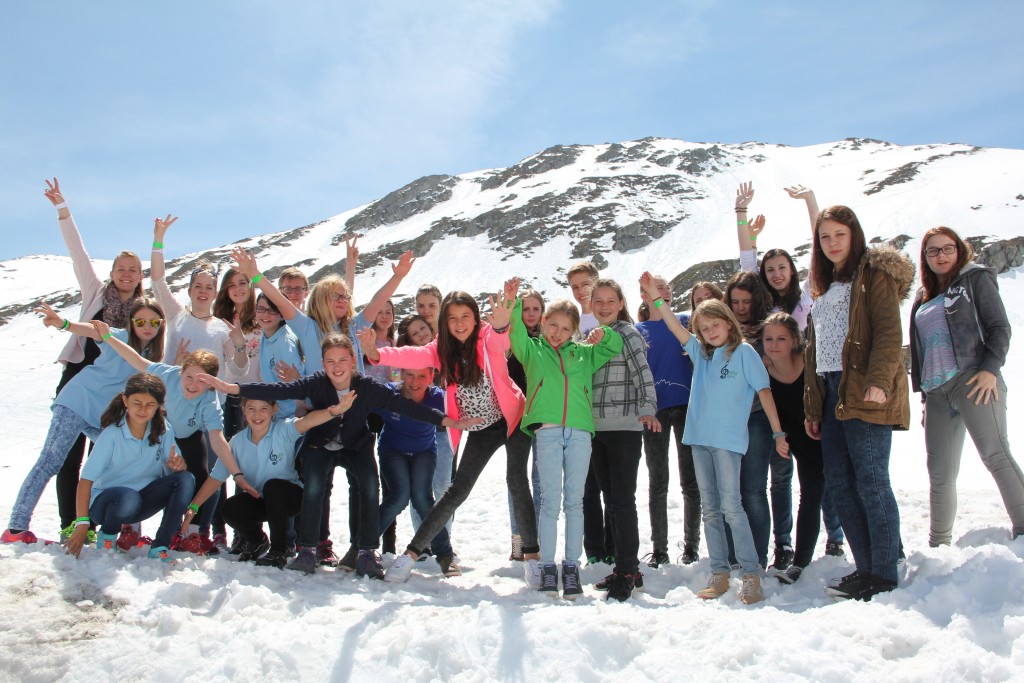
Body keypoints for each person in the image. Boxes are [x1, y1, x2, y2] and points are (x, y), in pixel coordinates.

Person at [200, 334, 479, 578]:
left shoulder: (367, 387)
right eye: (330, 361)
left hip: (355, 444)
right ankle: (308, 549)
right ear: (323, 364)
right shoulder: (316, 384)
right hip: (320, 443)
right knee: (314, 487)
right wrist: (233, 388)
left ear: (352, 362)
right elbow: (279, 390)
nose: (337, 367)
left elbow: (405, 406)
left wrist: (448, 422)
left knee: (370, 486)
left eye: (343, 360)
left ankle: (368, 552)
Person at [640, 273, 789, 606]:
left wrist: (778, 433)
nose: (709, 332)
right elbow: (675, 326)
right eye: (703, 328)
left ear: (728, 322)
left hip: (727, 442)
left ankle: (750, 574)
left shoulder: (745, 353)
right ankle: (720, 572)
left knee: (732, 507)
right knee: (710, 510)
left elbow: (765, 394)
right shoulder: (700, 353)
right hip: (698, 439)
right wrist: (656, 297)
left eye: (714, 326)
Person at [360, 289, 526, 583]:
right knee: (456, 491)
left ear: (475, 318)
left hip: (511, 418)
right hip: (478, 427)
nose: (460, 323)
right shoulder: (440, 350)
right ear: (444, 323)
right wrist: (378, 354)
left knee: (517, 482)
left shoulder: (487, 336)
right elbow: (412, 354)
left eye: (465, 317)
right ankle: (413, 553)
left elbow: (502, 343)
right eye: (452, 318)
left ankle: (533, 557)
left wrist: (501, 326)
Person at [804, 205, 914, 601]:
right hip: (832, 391)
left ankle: (884, 572)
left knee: (870, 480)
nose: (832, 243)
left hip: (866, 388)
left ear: (854, 235)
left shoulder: (873, 274)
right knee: (839, 483)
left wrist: (880, 381)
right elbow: (816, 350)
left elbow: (888, 330)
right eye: (824, 237)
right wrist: (813, 408)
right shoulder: (824, 284)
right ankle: (865, 566)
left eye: (839, 235)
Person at [4, 299, 165, 545]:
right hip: (77, 402)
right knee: (50, 461)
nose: (147, 326)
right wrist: (63, 323)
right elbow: (92, 330)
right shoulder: (119, 336)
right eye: (140, 321)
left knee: (128, 462)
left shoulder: (151, 356)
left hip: (101, 417)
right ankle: (16, 528)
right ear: (132, 323)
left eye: (153, 322)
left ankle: (127, 531)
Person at [91, 320, 251, 556]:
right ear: (181, 371)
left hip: (186, 438)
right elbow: (137, 361)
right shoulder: (168, 375)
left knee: (204, 478)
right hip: (156, 434)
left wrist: (236, 472)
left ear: (211, 383)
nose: (194, 384)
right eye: (189, 377)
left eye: (202, 380)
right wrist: (108, 338)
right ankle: (129, 528)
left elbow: (217, 440)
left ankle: (193, 533)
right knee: (140, 471)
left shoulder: (209, 400)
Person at [506, 277, 622, 598]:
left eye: (566, 329)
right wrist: (514, 302)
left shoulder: (585, 354)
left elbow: (614, 346)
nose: (558, 333)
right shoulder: (532, 351)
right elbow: (515, 332)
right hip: (547, 432)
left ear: (574, 332)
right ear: (543, 323)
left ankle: (570, 566)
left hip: (581, 431)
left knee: (575, 502)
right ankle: (547, 567)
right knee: (550, 503)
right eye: (553, 325)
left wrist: (603, 333)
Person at [42, 178, 146, 532]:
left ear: (140, 276)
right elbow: (78, 252)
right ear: (112, 272)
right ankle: (68, 522)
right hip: (78, 378)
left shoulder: (145, 309)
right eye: (121, 268)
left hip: (115, 389)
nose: (126, 274)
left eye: (133, 270)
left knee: (102, 456)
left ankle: (97, 521)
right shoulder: (95, 292)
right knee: (69, 455)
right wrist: (63, 210)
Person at [909, 226, 1024, 545]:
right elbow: (920, 352)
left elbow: (1000, 328)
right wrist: (923, 399)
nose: (941, 255)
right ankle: (939, 545)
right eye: (933, 251)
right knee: (940, 472)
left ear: (959, 250)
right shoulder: (922, 297)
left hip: (974, 380)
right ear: (926, 257)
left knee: (995, 453)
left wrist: (990, 369)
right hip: (936, 392)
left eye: (947, 248)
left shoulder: (975, 279)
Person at [181, 396, 354, 568]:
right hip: (263, 500)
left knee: (273, 487)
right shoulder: (237, 442)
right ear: (243, 410)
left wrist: (335, 411)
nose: (257, 414)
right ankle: (257, 541)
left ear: (274, 410)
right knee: (230, 508)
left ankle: (279, 550)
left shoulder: (283, 430)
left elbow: (308, 420)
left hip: (290, 498)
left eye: (263, 408)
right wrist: (193, 508)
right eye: (251, 409)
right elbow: (216, 478)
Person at [63, 374, 193, 562]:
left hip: (140, 501)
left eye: (150, 405)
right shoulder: (112, 435)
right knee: (128, 496)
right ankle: (107, 536)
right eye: (137, 403)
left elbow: (177, 468)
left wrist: (179, 466)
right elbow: (86, 480)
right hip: (106, 505)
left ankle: (160, 546)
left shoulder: (163, 429)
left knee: (186, 479)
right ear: (125, 401)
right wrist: (82, 524)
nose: (142, 409)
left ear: (159, 406)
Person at [588, 278, 660, 602]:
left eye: (610, 301)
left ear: (620, 304)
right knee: (610, 500)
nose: (604, 306)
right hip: (597, 428)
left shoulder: (628, 333)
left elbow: (642, 373)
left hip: (625, 429)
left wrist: (647, 409)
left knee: (622, 501)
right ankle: (625, 566)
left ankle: (628, 572)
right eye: (598, 301)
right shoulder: (590, 339)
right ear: (591, 305)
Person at [635, 274, 699, 567]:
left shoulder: (685, 321)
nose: (665, 291)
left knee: (691, 481)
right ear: (644, 295)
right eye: (658, 287)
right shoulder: (639, 330)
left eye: (667, 287)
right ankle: (659, 549)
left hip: (688, 408)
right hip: (655, 413)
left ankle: (692, 546)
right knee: (658, 481)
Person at [761, 313, 826, 584]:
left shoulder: (810, 359)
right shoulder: (763, 368)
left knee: (847, 490)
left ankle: (892, 550)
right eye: (768, 339)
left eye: (781, 338)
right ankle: (800, 562)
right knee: (810, 496)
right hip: (796, 440)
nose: (774, 345)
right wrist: (779, 436)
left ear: (795, 340)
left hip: (823, 433)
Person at [374, 368, 456, 569]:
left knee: (423, 498)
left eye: (422, 376)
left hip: (424, 452)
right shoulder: (389, 393)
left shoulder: (438, 397)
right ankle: (362, 546)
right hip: (392, 450)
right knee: (399, 496)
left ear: (431, 377)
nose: (415, 381)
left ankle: (445, 555)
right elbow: (361, 403)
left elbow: (463, 410)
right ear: (401, 374)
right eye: (410, 374)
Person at [505, 287, 544, 562]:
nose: (530, 314)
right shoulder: (509, 337)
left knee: (541, 481)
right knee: (516, 479)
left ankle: (537, 539)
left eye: (535, 309)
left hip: (543, 415)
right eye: (525, 309)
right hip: (515, 416)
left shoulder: (550, 338)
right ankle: (518, 540)